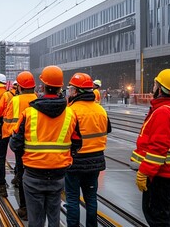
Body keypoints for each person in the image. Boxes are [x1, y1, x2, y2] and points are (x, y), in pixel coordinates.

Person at [9, 65, 80, 227]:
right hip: (58, 175)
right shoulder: (70, 114)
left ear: (42, 87)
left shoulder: (29, 113)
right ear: (60, 88)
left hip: (33, 174)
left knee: (35, 220)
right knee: (54, 217)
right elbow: (77, 143)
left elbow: (15, 144)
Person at [131, 69, 170, 227]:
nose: (153, 87)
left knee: (157, 216)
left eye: (156, 84)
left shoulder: (164, 112)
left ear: (162, 88)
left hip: (161, 175)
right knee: (168, 212)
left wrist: (144, 172)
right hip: (169, 173)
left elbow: (158, 149)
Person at [64, 73, 112, 227]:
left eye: (71, 88)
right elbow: (108, 129)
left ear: (76, 91)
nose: (69, 91)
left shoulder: (71, 111)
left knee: (72, 198)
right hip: (96, 160)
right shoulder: (100, 110)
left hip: (75, 160)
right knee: (91, 197)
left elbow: (65, 136)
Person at [3, 71, 38, 220]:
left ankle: (24, 207)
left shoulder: (15, 100)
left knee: (22, 174)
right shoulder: (38, 99)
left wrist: (7, 136)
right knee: (34, 175)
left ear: (20, 87)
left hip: (20, 142)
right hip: (36, 143)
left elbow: (7, 121)